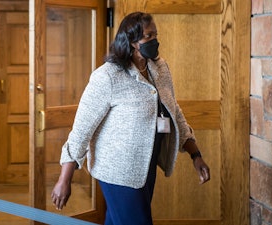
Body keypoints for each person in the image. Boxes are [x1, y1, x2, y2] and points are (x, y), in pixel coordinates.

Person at [51, 12, 210, 225]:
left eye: (156, 34)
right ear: (132, 41)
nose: (154, 40)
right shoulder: (107, 76)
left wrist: (195, 154)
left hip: (146, 167)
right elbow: (82, 129)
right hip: (118, 173)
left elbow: (174, 111)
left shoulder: (159, 68)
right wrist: (64, 179)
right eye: (148, 36)